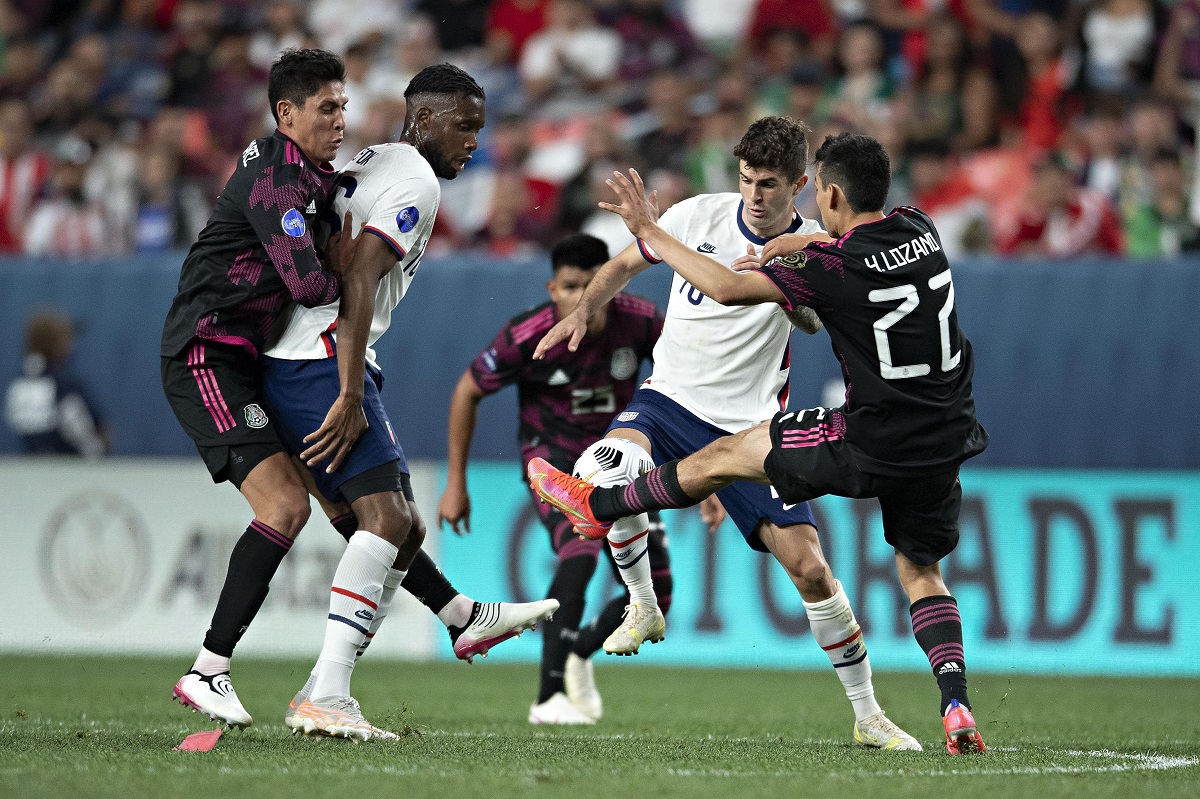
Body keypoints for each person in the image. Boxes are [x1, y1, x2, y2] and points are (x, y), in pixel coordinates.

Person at [528, 132, 990, 755]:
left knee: (811, 569)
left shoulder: (820, 257)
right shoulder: (910, 227)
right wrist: (586, 308)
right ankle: (641, 601)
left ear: (808, 188)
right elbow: (626, 265)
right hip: (672, 401)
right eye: (746, 177)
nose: (753, 193)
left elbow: (781, 302)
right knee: (604, 469)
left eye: (770, 183)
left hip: (758, 418)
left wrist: (675, 234)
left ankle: (869, 715)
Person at [261, 63, 554, 741]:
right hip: (322, 356)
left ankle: (458, 617)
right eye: (466, 126)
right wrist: (350, 388)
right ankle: (328, 691)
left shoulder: (372, 159)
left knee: (401, 526)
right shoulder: (416, 178)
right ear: (423, 118)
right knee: (387, 519)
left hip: (301, 351)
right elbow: (362, 274)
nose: (475, 142)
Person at [436, 233, 672, 725]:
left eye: (593, 285)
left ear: (612, 283)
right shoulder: (526, 335)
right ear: (551, 289)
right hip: (554, 460)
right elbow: (466, 391)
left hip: (619, 456)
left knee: (657, 594)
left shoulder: (643, 321)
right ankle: (548, 696)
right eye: (570, 287)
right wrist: (456, 481)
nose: (583, 297)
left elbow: (685, 386)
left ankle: (580, 651)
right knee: (580, 551)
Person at [5, 310, 110, 457]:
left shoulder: (19, 381)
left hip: (33, 465)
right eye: (67, 338)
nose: (71, 344)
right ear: (54, 342)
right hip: (72, 466)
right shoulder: (65, 383)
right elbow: (95, 434)